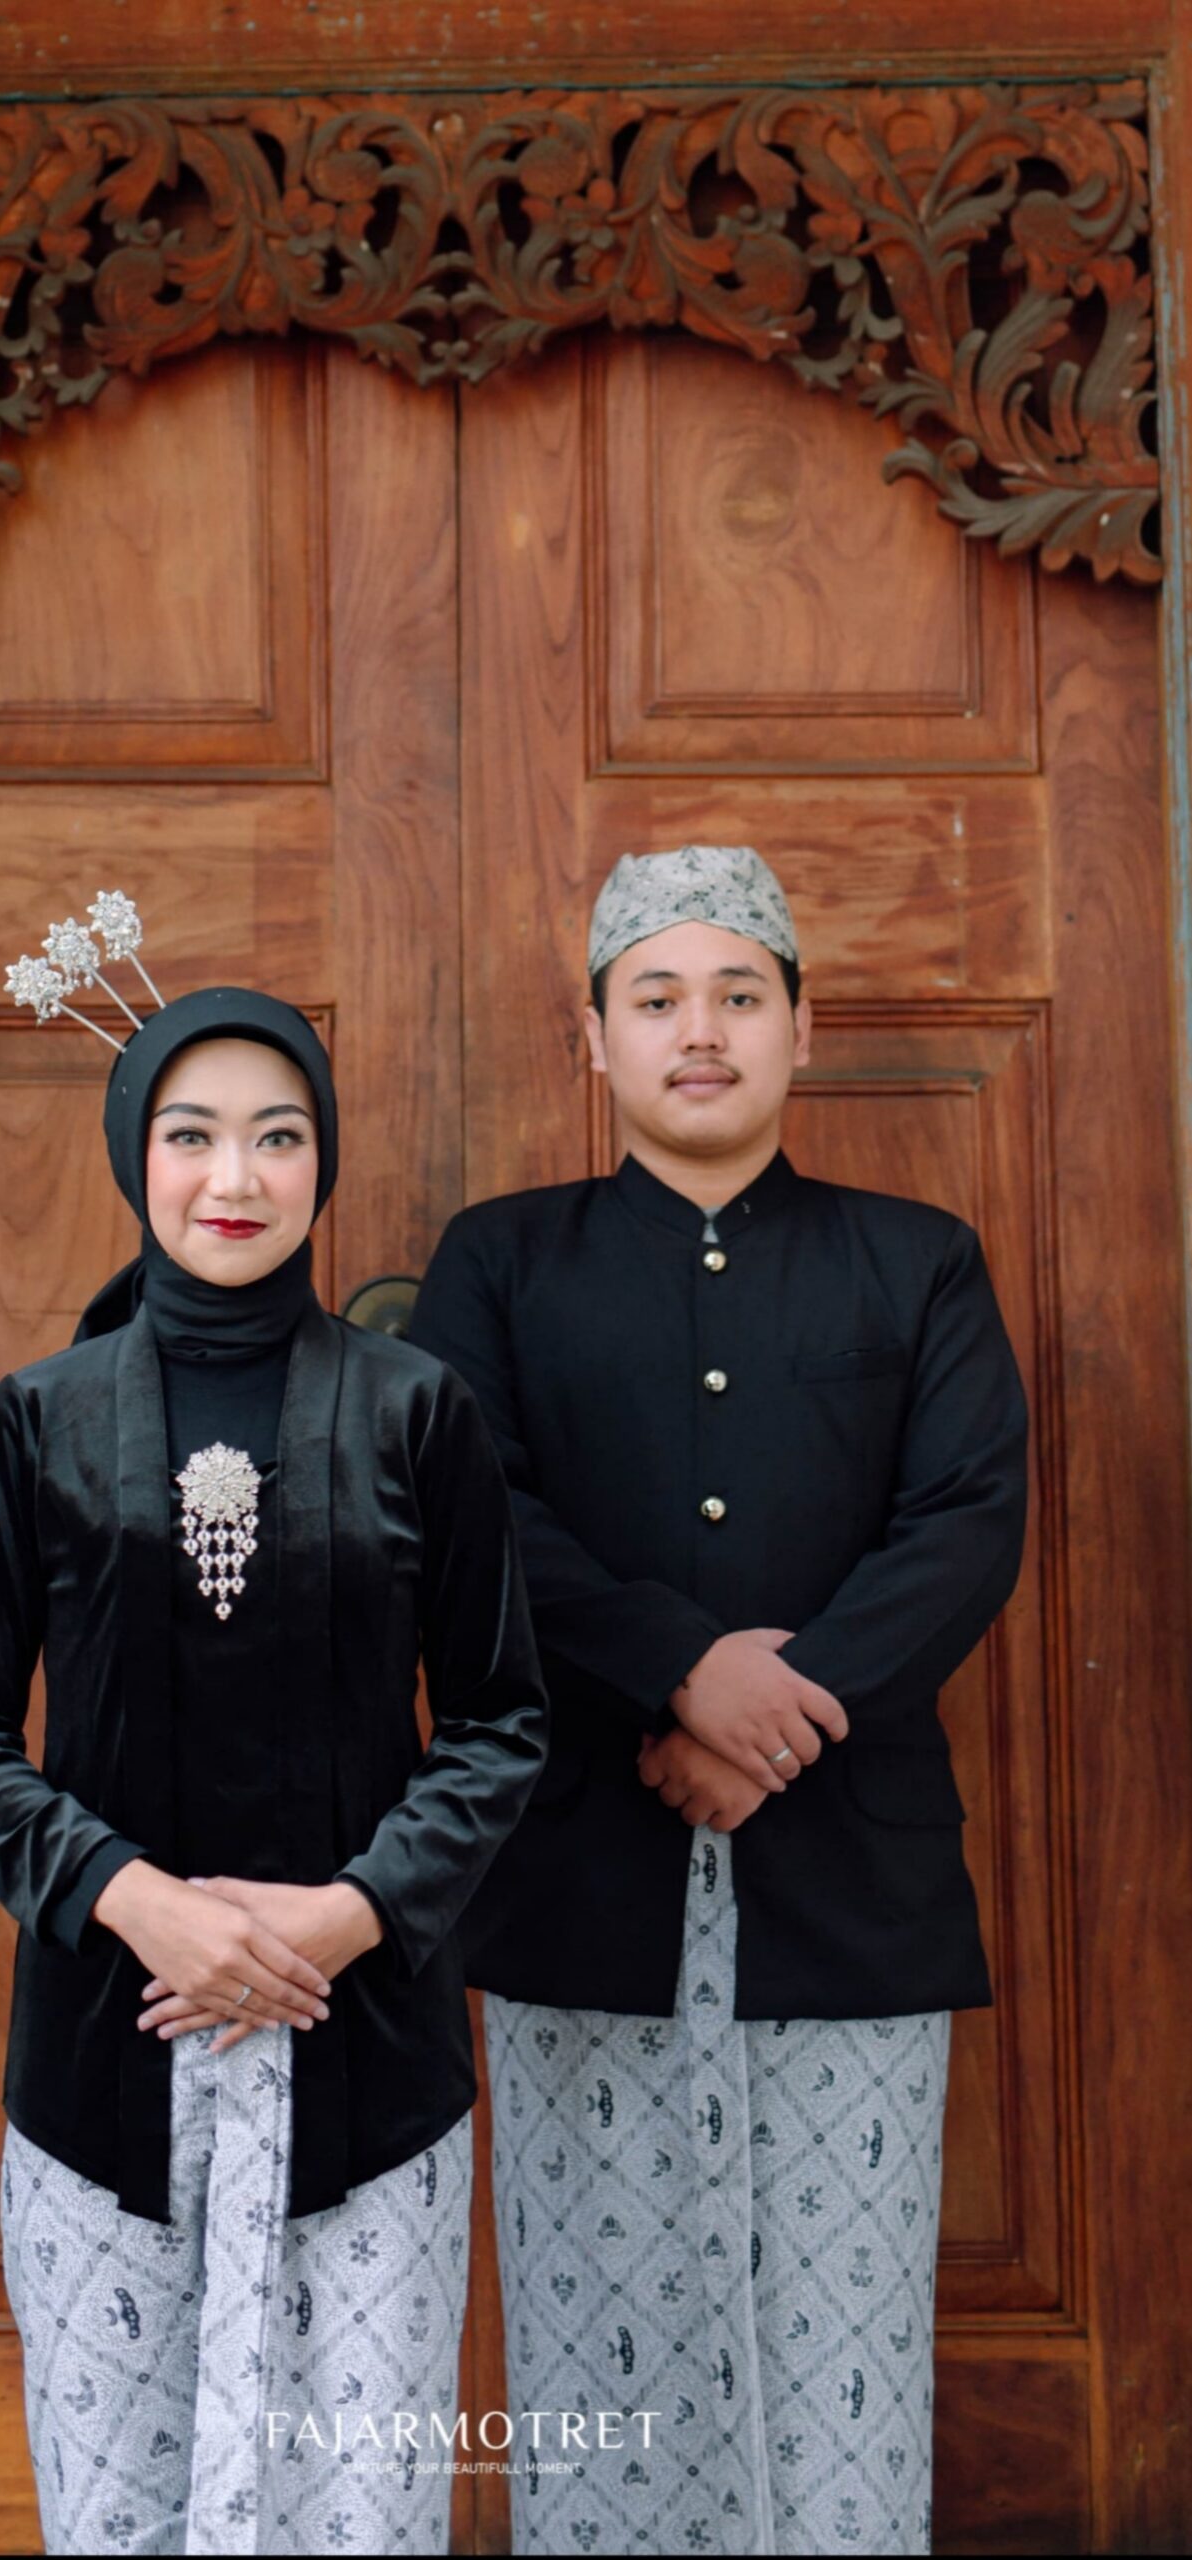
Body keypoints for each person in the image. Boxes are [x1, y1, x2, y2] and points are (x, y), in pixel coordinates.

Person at [410, 843, 1028, 2559]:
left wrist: (783, 1707)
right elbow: (468, 1517)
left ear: (798, 1030)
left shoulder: (916, 1261)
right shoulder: (499, 1262)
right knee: (599, 2339)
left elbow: (966, 1520)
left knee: (843, 2337)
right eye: (657, 998)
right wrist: (683, 1670)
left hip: (849, 1883)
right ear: (591, 1038)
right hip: (579, 1877)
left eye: (738, 995)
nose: (700, 1031)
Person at [0, 913, 548, 2560]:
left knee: (361, 2511)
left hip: (370, 2060)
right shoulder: (40, 1418)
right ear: (136, 1156)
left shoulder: (414, 1408)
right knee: (120, 2508)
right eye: (191, 1135)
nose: (234, 1177)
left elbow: (498, 1722)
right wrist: (140, 1903)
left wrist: (344, 1918)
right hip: (103, 2064)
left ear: (323, 1161)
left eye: (278, 1136)